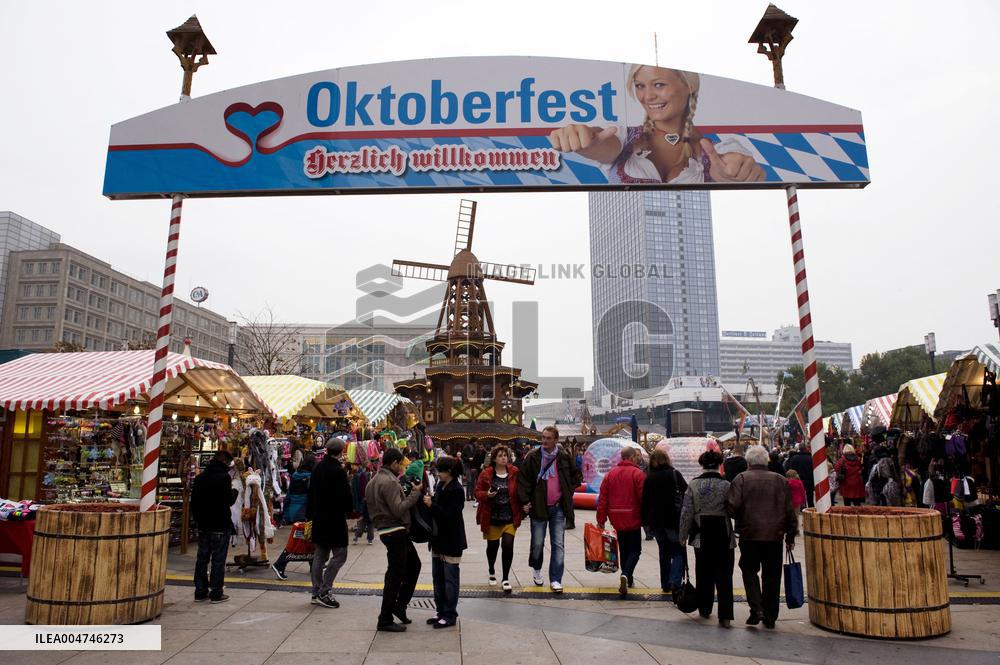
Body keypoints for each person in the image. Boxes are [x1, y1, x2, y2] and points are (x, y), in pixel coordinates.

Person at [548, 65, 764, 184]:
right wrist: (585, 139)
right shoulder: (624, 138)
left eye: (659, 85)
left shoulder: (718, 151)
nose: (648, 96)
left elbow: (734, 167)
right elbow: (602, 145)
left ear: (689, 87)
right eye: (640, 86)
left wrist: (737, 173)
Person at [727, 446, 798, 629]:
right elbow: (789, 510)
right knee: (772, 574)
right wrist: (790, 535)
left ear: (748, 462)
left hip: (749, 533)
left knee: (749, 569)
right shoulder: (780, 480)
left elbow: (732, 507)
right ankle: (770, 615)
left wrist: (742, 518)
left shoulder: (741, 478)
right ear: (766, 461)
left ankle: (756, 607)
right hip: (775, 535)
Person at [516, 425, 581, 593]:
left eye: (548, 438)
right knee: (537, 543)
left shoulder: (564, 457)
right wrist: (525, 501)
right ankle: (537, 569)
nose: (544, 440)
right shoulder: (533, 457)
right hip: (538, 506)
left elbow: (575, 476)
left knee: (558, 544)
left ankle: (556, 579)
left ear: (556, 440)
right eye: (543, 437)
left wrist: (567, 492)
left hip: (558, 508)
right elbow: (523, 480)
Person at [366, 447, 423, 632]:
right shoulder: (389, 481)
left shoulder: (373, 481)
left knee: (413, 565)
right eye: (400, 464)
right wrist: (415, 493)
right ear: (394, 463)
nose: (402, 468)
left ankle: (399, 606)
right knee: (395, 575)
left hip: (386, 530)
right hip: (394, 530)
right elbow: (398, 509)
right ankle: (385, 618)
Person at [679, 450, 735, 627]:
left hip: (700, 532)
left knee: (703, 572)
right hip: (723, 532)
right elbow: (734, 509)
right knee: (725, 574)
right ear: (719, 465)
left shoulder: (694, 485)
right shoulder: (727, 485)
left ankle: (704, 607)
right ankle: (725, 615)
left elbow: (686, 512)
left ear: (701, 465)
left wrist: (683, 535)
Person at [306, 438, 353, 608]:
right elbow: (345, 496)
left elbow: (311, 492)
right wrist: (350, 509)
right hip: (334, 519)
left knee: (320, 555)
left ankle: (316, 591)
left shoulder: (318, 468)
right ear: (340, 452)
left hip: (319, 518)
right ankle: (325, 590)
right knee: (340, 555)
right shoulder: (338, 471)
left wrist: (310, 515)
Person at [596, 446, 646, 597]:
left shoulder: (610, 474)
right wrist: (647, 517)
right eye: (636, 456)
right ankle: (626, 574)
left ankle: (628, 578)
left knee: (623, 549)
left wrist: (601, 519)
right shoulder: (638, 474)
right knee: (635, 550)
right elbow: (643, 497)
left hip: (616, 517)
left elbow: (603, 498)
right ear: (631, 457)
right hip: (633, 516)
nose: (637, 459)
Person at [191, 450, 238, 603]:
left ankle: (200, 591)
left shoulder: (200, 478)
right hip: (220, 524)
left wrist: (198, 520)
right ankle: (216, 592)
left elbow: (194, 503)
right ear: (225, 462)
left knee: (202, 559)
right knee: (218, 560)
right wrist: (235, 491)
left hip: (204, 525)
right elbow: (229, 500)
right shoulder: (224, 478)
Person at [425, 456, 467, 628]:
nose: (437, 474)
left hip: (451, 540)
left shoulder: (457, 490)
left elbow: (450, 516)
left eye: (440, 471)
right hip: (438, 539)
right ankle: (440, 611)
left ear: (449, 471)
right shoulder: (440, 485)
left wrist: (432, 505)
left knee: (450, 580)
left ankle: (450, 614)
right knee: (438, 578)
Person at [475, 445, 523, 593]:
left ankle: (506, 578)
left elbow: (521, 490)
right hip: (492, 518)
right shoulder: (486, 474)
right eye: (500, 456)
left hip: (510, 518)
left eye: (505, 455)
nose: (503, 458)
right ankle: (491, 569)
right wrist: (487, 495)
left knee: (508, 546)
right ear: (494, 458)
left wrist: (526, 504)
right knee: (492, 547)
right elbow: (477, 492)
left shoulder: (515, 472)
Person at [641, 449, 687, 594]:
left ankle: (665, 583)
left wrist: (645, 521)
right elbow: (686, 492)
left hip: (656, 522)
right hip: (673, 520)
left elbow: (645, 501)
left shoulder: (649, 478)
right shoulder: (674, 474)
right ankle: (675, 580)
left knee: (664, 552)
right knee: (678, 551)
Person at [283, 454, 314, 525]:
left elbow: (288, 497)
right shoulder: (312, 477)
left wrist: (286, 516)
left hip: (292, 514)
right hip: (304, 514)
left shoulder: (295, 476)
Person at [784, 443, 815, 508]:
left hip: (797, 480)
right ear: (806, 449)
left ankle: (802, 507)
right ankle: (810, 507)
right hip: (809, 480)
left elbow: (791, 469)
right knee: (810, 496)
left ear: (799, 449)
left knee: (799, 494)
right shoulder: (810, 458)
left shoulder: (794, 458)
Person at [352, 463, 375, 545]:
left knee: (369, 529)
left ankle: (369, 539)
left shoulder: (371, 498)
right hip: (366, 516)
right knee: (361, 529)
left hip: (369, 516)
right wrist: (362, 514)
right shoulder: (366, 499)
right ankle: (356, 537)